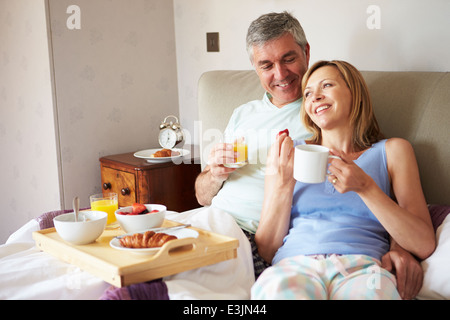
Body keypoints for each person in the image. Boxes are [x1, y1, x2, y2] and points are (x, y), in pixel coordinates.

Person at [195, 12, 425, 299]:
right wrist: (219, 174)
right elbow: (205, 198)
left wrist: (397, 244)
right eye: (266, 65)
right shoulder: (257, 124)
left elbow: (419, 236)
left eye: (288, 59)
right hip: (249, 239)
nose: (280, 75)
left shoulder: (383, 148)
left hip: (347, 261)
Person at [251, 60, 436, 299]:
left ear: (355, 94)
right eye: (308, 93)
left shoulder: (393, 151)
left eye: (326, 85)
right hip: (294, 264)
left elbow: (423, 243)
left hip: (365, 267)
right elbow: (266, 250)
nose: (315, 97)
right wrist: (284, 184)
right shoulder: (287, 154)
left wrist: (366, 187)